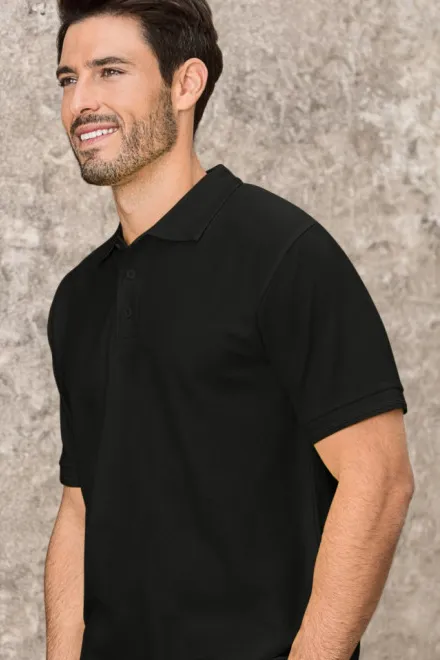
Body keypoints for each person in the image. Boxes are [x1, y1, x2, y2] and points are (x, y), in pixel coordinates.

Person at [44, 1, 414, 660]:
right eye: (69, 78)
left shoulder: (284, 255)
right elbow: (80, 508)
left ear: (186, 84)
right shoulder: (79, 297)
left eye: (109, 71)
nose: (81, 101)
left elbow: (379, 482)